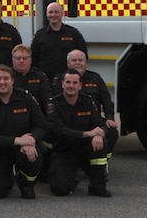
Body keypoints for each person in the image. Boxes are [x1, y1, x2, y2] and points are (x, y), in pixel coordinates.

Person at [0, 64, 47, 199]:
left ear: (12, 80)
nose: (2, 82)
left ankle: (26, 184)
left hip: (23, 149)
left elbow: (42, 126)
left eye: (5, 78)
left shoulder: (26, 98)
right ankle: (5, 177)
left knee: (35, 152)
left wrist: (30, 140)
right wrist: (17, 140)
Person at [46, 69, 117, 197]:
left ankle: (97, 186)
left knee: (101, 142)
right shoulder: (54, 104)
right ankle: (71, 178)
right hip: (64, 150)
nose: (71, 86)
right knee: (60, 189)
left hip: (85, 150)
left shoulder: (88, 101)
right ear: (62, 84)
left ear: (80, 85)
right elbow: (59, 131)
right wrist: (89, 134)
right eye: (68, 82)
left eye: (74, 83)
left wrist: (98, 134)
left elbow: (100, 124)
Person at [31, 2, 87, 84]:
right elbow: (33, 59)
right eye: (50, 12)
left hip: (68, 81)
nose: (53, 15)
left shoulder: (73, 33)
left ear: (62, 14)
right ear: (46, 14)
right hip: (45, 81)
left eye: (56, 12)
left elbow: (83, 56)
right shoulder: (39, 35)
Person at [63, 49, 118, 134]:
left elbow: (106, 100)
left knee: (112, 133)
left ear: (86, 63)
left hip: (93, 120)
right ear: (68, 64)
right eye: (74, 60)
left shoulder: (95, 78)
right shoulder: (61, 79)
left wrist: (109, 118)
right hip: (69, 121)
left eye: (80, 60)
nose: (77, 62)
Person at [11, 44, 52, 115]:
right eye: (18, 58)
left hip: (37, 115)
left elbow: (47, 100)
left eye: (24, 58)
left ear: (30, 60)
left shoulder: (39, 76)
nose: (21, 61)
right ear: (13, 59)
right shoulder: (7, 77)